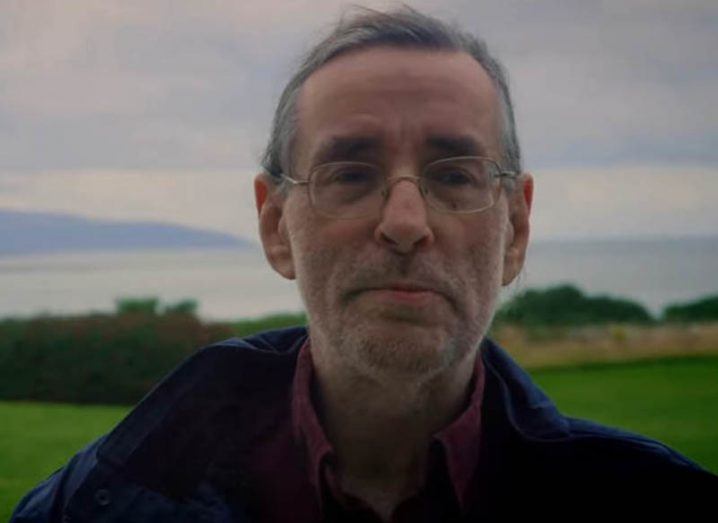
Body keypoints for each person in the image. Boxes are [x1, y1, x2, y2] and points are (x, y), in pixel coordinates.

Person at [12, 7, 717, 523]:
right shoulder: (97, 504)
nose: (405, 223)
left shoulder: (657, 503)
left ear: (517, 227)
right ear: (274, 225)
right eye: (349, 172)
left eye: (455, 174)